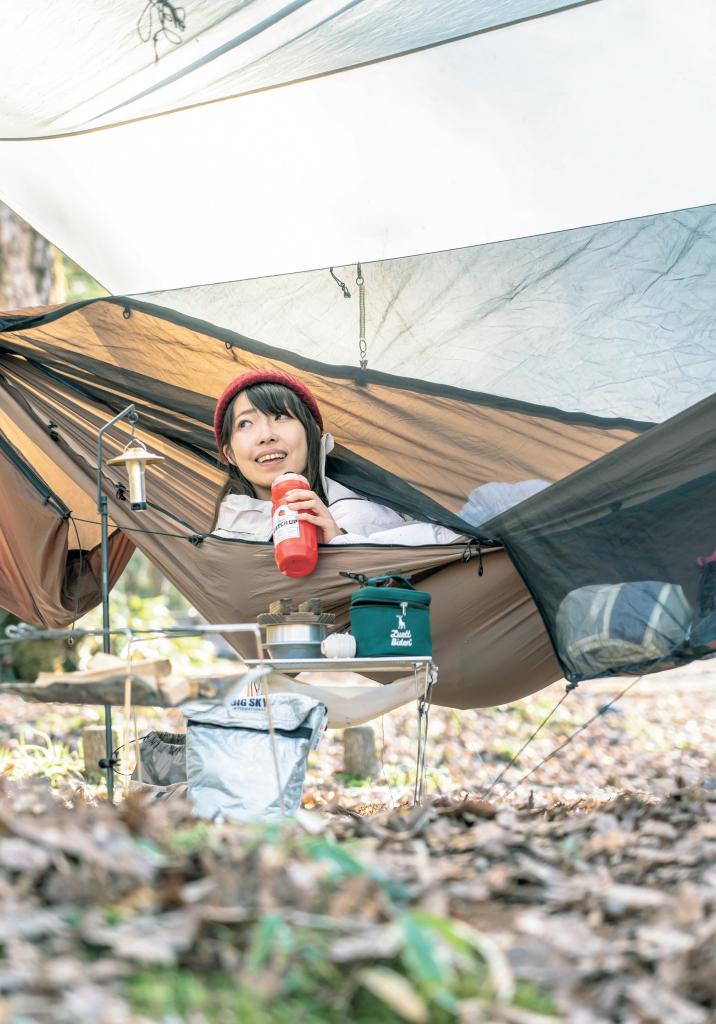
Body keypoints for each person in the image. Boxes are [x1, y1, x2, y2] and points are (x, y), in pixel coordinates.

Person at [212, 369, 463, 546]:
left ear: (312, 436)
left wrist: (339, 539)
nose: (265, 436)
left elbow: (451, 542)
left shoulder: (361, 507)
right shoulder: (224, 540)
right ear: (230, 454)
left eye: (280, 416)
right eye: (245, 423)